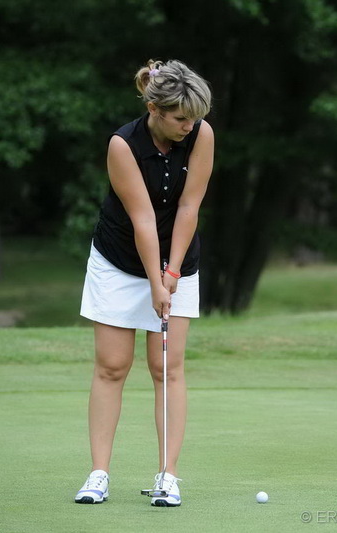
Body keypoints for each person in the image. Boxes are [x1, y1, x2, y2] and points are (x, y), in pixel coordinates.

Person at [74, 59, 214, 507]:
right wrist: (155, 281)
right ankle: (98, 474)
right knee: (112, 365)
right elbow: (143, 218)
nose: (189, 127)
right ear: (154, 109)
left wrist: (172, 274)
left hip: (179, 257)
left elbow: (189, 208)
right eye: (181, 118)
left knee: (166, 367)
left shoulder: (201, 134)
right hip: (118, 260)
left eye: (194, 118)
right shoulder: (123, 144)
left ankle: (168, 476)